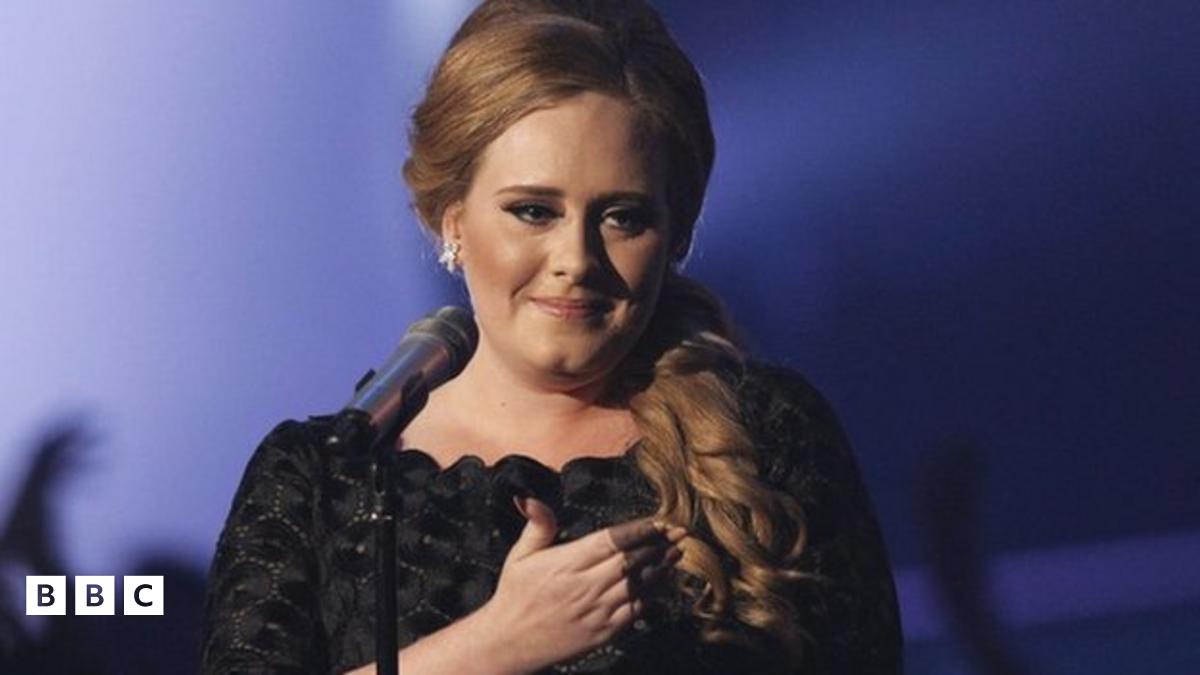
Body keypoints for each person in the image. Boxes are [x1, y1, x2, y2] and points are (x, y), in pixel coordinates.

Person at [198, 1, 903, 673]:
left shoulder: (764, 436)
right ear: (451, 219)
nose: (577, 259)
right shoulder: (327, 475)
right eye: (534, 211)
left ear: (676, 234)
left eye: (623, 217)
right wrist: (498, 643)